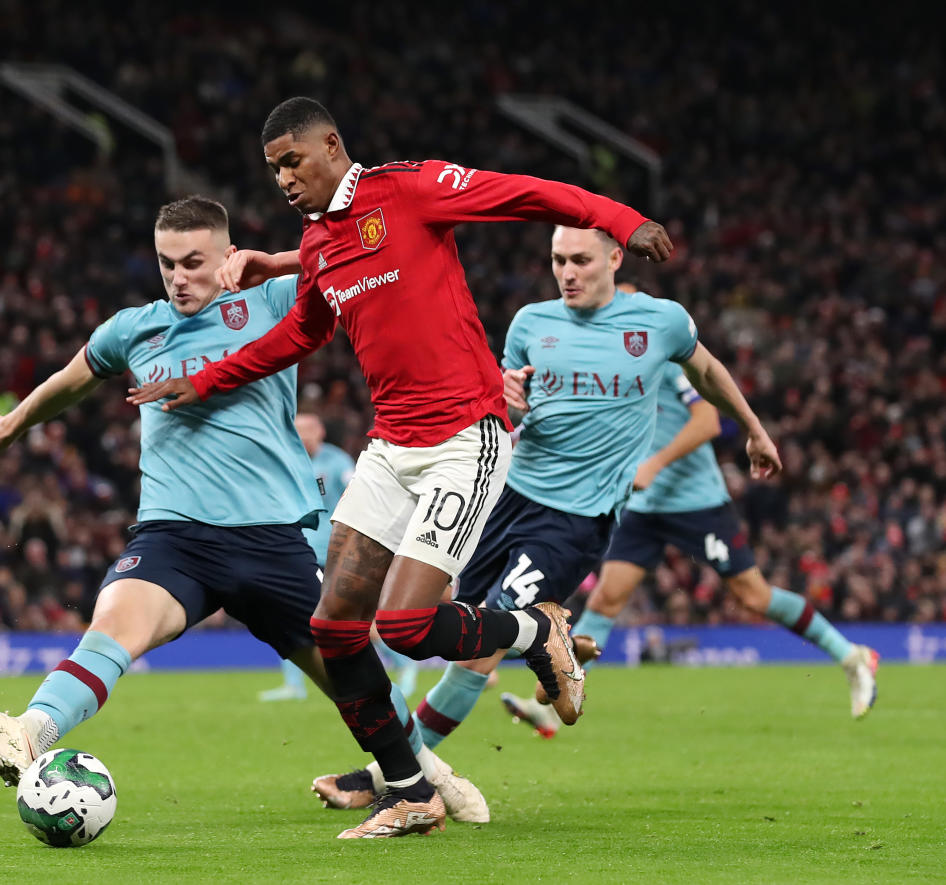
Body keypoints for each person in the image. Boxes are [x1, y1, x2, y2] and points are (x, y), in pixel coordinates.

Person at [129, 96, 675, 836]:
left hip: (465, 438)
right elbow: (302, 331)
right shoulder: (320, 244)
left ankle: (532, 633)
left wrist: (620, 218)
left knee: (410, 622)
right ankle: (412, 790)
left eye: (293, 160)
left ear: (331, 145)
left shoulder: (408, 189)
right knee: (335, 626)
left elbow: (522, 192)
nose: (284, 179)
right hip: (391, 448)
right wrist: (209, 376)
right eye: (274, 169)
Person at [0, 196, 482, 835]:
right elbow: (73, 378)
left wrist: (279, 260)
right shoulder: (133, 329)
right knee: (113, 627)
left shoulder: (273, 302)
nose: (179, 278)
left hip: (275, 537)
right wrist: (12, 422)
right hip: (175, 536)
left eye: (194, 263)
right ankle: (28, 731)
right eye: (168, 264)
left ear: (227, 256)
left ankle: (426, 777)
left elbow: (359, 261)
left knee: (350, 679)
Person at [308, 224, 784, 806]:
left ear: (615, 257)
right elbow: (501, 399)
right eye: (558, 260)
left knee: (481, 648)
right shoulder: (532, 322)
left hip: (574, 520)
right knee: (429, 623)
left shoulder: (660, 322)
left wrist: (755, 431)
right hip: (504, 495)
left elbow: (706, 371)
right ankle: (549, 647)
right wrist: (504, 394)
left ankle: (395, 779)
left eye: (581, 260)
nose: (568, 272)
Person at [502, 323, 878, 735]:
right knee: (607, 598)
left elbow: (707, 424)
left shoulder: (658, 363)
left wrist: (654, 465)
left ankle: (851, 656)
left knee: (753, 596)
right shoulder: (600, 372)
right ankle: (552, 699)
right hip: (642, 505)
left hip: (694, 502)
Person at [259, 413, 420, 702]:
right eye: (296, 431)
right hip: (300, 549)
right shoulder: (289, 459)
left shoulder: (338, 462)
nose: (301, 437)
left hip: (334, 551)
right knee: (287, 614)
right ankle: (293, 684)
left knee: (349, 616)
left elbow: (359, 496)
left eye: (306, 430)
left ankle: (404, 666)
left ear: (319, 431)